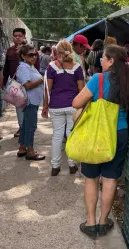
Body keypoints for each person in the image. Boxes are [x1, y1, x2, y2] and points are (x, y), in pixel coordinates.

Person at [72, 45, 129, 239]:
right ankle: (103, 222)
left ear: (110, 61)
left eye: (103, 58)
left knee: (91, 178)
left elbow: (76, 103)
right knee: (110, 179)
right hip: (119, 134)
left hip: (97, 135)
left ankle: (90, 223)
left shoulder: (98, 79)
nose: (100, 61)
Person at [43, 40, 85, 176]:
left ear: (57, 52)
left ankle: (55, 167)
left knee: (57, 136)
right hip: (73, 105)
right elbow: (81, 89)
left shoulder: (51, 67)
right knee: (71, 135)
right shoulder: (77, 67)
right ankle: (72, 164)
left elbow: (47, 89)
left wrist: (44, 106)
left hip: (56, 106)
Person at [3, 28, 40, 138]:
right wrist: (4, 83)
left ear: (24, 36)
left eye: (20, 35)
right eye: (15, 35)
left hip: (29, 84)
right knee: (19, 107)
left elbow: (36, 67)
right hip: (17, 85)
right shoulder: (10, 51)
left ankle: (28, 128)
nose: (17, 37)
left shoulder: (31, 51)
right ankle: (22, 128)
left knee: (31, 106)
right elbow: (6, 68)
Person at [16, 44, 45, 161]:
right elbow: (27, 85)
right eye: (30, 55)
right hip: (29, 101)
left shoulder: (30, 66)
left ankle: (22, 148)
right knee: (31, 126)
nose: (34, 57)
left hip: (33, 100)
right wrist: (41, 79)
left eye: (35, 54)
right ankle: (30, 151)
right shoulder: (23, 68)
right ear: (23, 56)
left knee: (26, 125)